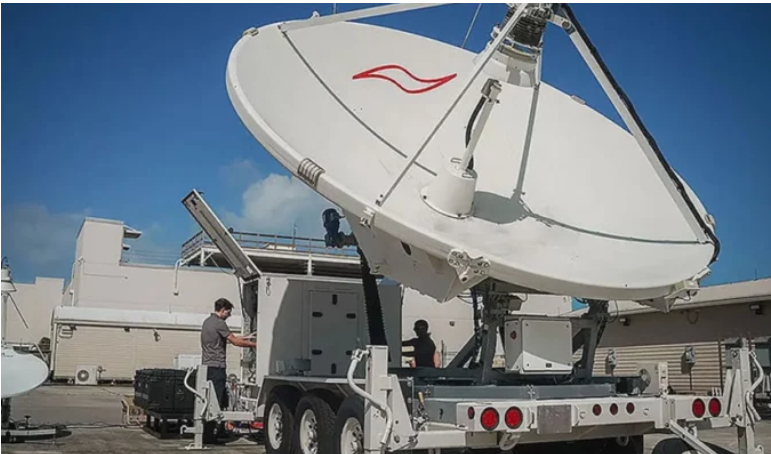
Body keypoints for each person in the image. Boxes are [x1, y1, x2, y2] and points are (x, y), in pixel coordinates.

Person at [200, 298, 256, 410]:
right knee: (217, 401)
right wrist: (255, 345)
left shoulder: (207, 322)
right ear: (222, 310)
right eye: (228, 313)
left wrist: (246, 337)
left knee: (209, 398)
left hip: (207, 366)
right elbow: (234, 341)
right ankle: (216, 420)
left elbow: (229, 338)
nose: (229, 316)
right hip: (217, 367)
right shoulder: (220, 323)